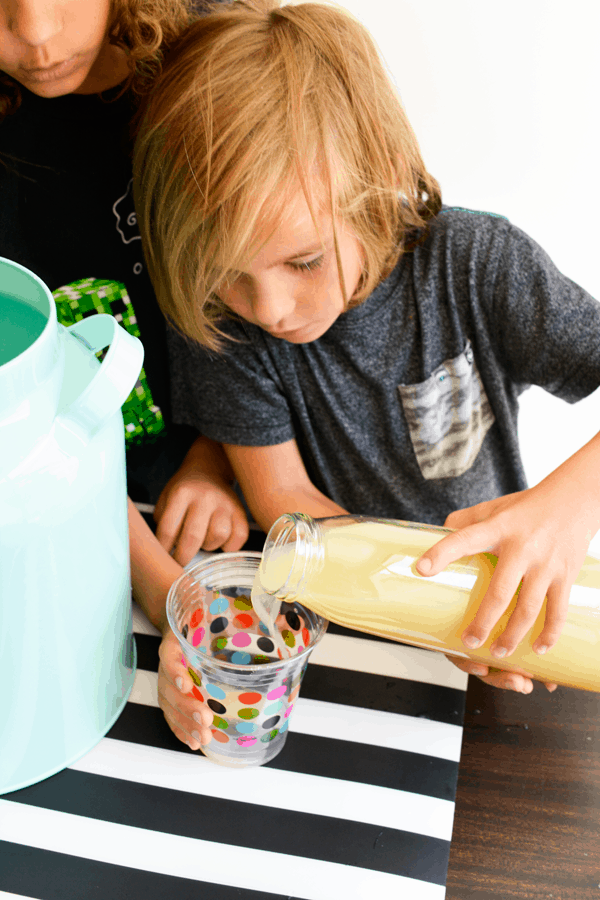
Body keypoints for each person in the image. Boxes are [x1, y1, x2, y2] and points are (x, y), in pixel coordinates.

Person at [133, 0, 600, 745]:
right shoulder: (221, 321)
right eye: (228, 274)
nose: (271, 309)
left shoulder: (477, 266)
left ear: (375, 182)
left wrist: (568, 506)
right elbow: (284, 501)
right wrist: (432, 610)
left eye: (304, 260)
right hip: (360, 628)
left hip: (502, 597)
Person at [0, 0, 252, 750]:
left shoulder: (218, 71)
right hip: (62, 528)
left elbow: (271, 307)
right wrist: (161, 588)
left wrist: (217, 454)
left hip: (246, 492)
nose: (38, 35)